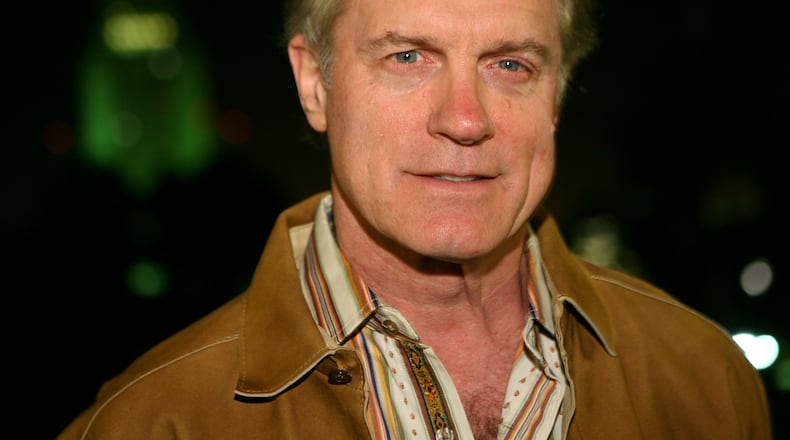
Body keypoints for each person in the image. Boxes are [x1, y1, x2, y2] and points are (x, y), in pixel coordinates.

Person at [59, 0, 773, 438]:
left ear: (558, 93)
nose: (464, 119)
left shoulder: (704, 379)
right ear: (315, 82)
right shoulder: (155, 423)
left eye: (511, 66)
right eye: (408, 56)